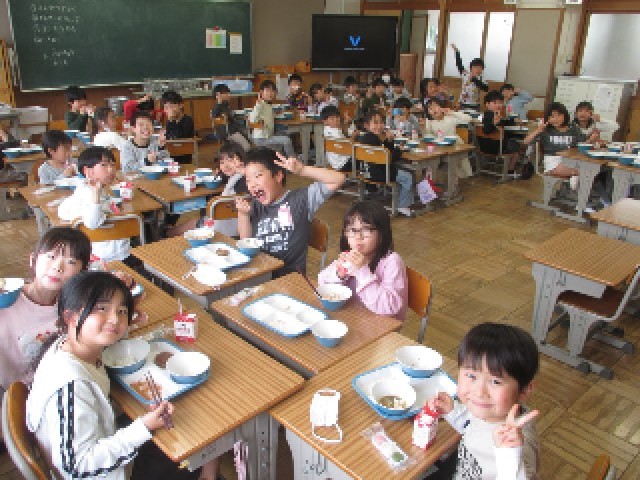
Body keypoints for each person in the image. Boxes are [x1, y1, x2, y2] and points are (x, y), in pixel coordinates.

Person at [26, 271, 200, 480]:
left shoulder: (68, 344)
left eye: (121, 311)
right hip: (100, 473)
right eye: (102, 308)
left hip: (101, 436)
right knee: (190, 453)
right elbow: (76, 466)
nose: (115, 319)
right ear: (70, 316)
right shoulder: (71, 386)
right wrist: (144, 426)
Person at [427, 322, 539, 480]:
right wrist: (453, 412)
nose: (479, 392)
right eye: (471, 376)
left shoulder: (517, 444)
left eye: (495, 381)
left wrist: (509, 455)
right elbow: (474, 425)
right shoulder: (489, 411)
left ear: (524, 390)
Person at [0, 228, 91, 393]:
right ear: (33, 260)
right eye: (51, 257)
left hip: (62, 385)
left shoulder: (73, 303)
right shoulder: (6, 301)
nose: (57, 267)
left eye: (71, 261)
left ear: (82, 272)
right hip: (18, 397)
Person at [235, 147, 345, 277]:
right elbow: (246, 242)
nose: (252, 184)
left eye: (258, 176)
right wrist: (243, 215)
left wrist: (302, 170)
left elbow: (339, 178)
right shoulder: (255, 205)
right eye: (248, 180)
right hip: (261, 274)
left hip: (289, 278)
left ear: (278, 175)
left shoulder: (301, 200)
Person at [318, 200, 408, 320]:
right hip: (354, 317)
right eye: (352, 230)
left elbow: (389, 307)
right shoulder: (350, 256)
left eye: (366, 230)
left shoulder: (392, 262)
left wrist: (362, 271)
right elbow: (322, 284)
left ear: (382, 233)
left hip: (381, 325)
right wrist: (339, 274)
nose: (358, 237)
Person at [58, 147, 130, 263]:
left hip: (112, 250)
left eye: (112, 164)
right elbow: (92, 223)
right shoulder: (91, 194)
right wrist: (96, 195)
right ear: (88, 171)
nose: (111, 169)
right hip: (109, 256)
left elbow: (61, 210)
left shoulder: (87, 190)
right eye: (104, 165)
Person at [355, 110, 415, 217]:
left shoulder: (365, 138)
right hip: (380, 174)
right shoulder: (373, 139)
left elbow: (384, 153)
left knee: (401, 169)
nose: (379, 126)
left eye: (381, 122)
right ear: (367, 125)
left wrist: (389, 140)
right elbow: (389, 157)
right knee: (408, 177)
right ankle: (402, 205)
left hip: (366, 172)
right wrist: (399, 150)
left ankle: (396, 196)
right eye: (375, 123)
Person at [523, 102, 593, 188]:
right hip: (553, 162)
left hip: (571, 160)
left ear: (565, 115)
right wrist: (538, 130)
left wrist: (592, 139)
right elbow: (526, 141)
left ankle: (574, 181)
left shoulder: (573, 128)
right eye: (552, 116)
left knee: (591, 170)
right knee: (587, 172)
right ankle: (574, 177)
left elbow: (583, 143)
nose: (556, 119)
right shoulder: (546, 130)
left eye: (559, 115)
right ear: (548, 118)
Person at [423, 98, 473, 177]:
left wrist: (452, 113)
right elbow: (427, 135)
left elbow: (468, 119)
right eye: (430, 108)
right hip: (439, 147)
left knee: (459, 165)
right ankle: (432, 179)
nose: (434, 110)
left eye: (436, 106)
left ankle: (460, 178)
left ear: (442, 108)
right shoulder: (429, 121)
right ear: (428, 112)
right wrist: (423, 127)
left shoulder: (449, 118)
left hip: (454, 145)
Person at [248, 80, 295, 157]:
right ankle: (293, 159)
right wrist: (258, 105)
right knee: (287, 140)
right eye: (267, 90)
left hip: (268, 135)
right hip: (261, 139)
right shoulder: (260, 104)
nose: (270, 93)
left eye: (273, 91)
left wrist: (275, 114)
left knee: (285, 134)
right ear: (261, 92)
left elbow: (266, 115)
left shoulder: (267, 104)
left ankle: (282, 158)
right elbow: (252, 119)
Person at [480, 90, 522, 177]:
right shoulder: (490, 115)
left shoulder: (489, 114)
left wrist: (512, 120)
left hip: (483, 146)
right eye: (495, 103)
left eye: (500, 103)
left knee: (512, 141)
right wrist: (494, 123)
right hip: (495, 147)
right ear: (487, 104)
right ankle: (510, 170)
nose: (498, 105)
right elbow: (487, 130)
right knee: (516, 146)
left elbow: (505, 122)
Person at [210, 83, 250, 150]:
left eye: (229, 93)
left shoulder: (224, 105)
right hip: (229, 133)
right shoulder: (217, 107)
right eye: (226, 93)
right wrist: (219, 101)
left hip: (233, 130)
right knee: (247, 146)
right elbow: (216, 118)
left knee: (248, 135)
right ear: (218, 94)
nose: (229, 95)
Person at [451, 44, 488, 110]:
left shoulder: (482, 78)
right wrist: (457, 52)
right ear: (471, 68)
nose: (478, 69)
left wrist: (474, 80)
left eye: (480, 68)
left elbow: (485, 88)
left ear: (482, 70)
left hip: (475, 105)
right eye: (476, 67)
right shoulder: (465, 74)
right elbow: (459, 64)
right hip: (462, 104)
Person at [162, 90, 195, 164]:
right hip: (169, 157)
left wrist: (172, 120)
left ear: (181, 105)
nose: (169, 110)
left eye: (171, 106)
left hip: (183, 160)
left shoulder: (188, 120)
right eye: (166, 107)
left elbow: (179, 138)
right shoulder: (169, 122)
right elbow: (168, 138)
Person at [321, 105, 351, 172]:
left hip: (334, 163)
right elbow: (347, 147)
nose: (336, 120)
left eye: (337, 117)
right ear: (325, 121)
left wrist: (346, 123)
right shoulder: (336, 133)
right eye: (332, 119)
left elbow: (342, 131)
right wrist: (353, 137)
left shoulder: (326, 129)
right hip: (344, 163)